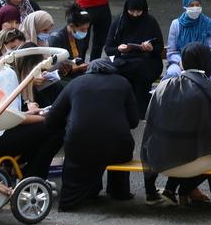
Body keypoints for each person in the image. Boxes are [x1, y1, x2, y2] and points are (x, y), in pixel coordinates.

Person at [44, 58, 140, 210]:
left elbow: (51, 119)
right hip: (118, 150)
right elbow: (134, 121)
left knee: (79, 149)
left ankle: (75, 196)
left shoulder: (76, 83)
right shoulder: (123, 83)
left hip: (79, 148)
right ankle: (119, 191)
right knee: (118, 137)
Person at [142, 43, 211, 207]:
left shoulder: (163, 86)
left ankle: (173, 189)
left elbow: (150, 126)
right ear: (206, 61)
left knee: (180, 141)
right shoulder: (208, 88)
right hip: (197, 164)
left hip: (161, 163)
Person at [0, 44, 65, 179]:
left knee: (43, 129)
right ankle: (33, 176)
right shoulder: (8, 75)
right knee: (56, 130)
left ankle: (24, 169)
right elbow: (11, 119)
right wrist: (46, 118)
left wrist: (33, 114)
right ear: (30, 68)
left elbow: (4, 112)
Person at [104, 0, 164, 114]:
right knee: (122, 70)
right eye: (132, 11)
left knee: (141, 70)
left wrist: (150, 48)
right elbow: (108, 48)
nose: (135, 15)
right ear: (127, 9)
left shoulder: (150, 22)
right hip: (125, 60)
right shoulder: (120, 22)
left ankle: (140, 110)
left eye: (138, 12)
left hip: (147, 61)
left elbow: (159, 47)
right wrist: (119, 49)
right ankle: (126, 109)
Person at [164, 0, 211, 79]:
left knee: (198, 80)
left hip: (203, 64)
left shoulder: (210, 24)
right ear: (185, 6)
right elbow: (172, 51)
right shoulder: (176, 24)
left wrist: (201, 65)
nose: (195, 8)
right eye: (191, 5)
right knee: (172, 74)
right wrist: (180, 62)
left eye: (198, 5)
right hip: (180, 64)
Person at [48, 3, 91, 82]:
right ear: (71, 26)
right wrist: (78, 68)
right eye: (82, 29)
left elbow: (79, 60)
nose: (86, 32)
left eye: (87, 29)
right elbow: (54, 69)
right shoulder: (56, 39)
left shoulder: (78, 37)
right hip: (62, 79)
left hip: (76, 75)